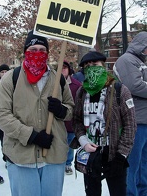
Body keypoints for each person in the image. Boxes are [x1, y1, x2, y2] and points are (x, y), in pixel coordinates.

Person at [0, 30, 74, 196]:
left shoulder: (58, 78)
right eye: (33, 50)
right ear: (25, 52)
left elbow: (71, 109)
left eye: (42, 50)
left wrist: (61, 110)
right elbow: (1, 116)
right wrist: (32, 136)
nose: (37, 54)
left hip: (53, 155)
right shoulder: (10, 78)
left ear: (47, 53)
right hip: (21, 157)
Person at [72, 50, 137, 196]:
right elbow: (76, 121)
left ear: (103, 65)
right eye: (87, 67)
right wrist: (83, 141)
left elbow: (130, 125)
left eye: (94, 64)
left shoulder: (119, 90)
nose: (91, 69)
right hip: (90, 153)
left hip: (114, 154)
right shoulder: (82, 92)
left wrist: (121, 156)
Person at [113, 31, 147, 196]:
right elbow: (134, 86)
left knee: (144, 166)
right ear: (142, 45)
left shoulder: (140, 62)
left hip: (144, 120)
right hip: (135, 122)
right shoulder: (126, 60)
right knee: (132, 166)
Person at [62, 60, 81, 175]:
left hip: (70, 122)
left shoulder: (76, 85)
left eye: (65, 67)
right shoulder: (52, 83)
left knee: (69, 144)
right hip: (57, 122)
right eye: (61, 67)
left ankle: (68, 164)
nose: (63, 69)